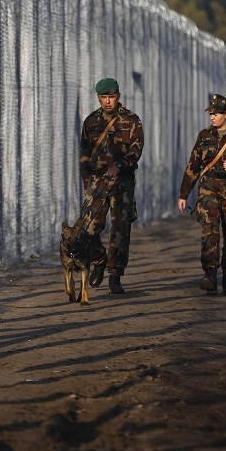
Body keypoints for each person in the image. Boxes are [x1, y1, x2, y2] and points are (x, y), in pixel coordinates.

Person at [177, 94, 226, 296]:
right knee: (209, 233)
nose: (211, 117)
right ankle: (210, 275)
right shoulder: (204, 136)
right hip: (208, 191)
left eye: (215, 113)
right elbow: (192, 167)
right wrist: (183, 194)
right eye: (210, 113)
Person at [79, 77, 145, 294]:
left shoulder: (131, 120)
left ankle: (115, 275)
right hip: (97, 181)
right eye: (103, 97)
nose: (107, 101)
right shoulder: (90, 122)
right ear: (98, 98)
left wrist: (120, 165)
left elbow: (136, 151)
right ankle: (99, 258)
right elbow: (84, 155)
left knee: (120, 228)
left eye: (111, 97)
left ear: (118, 95)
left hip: (122, 182)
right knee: (87, 228)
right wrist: (87, 183)